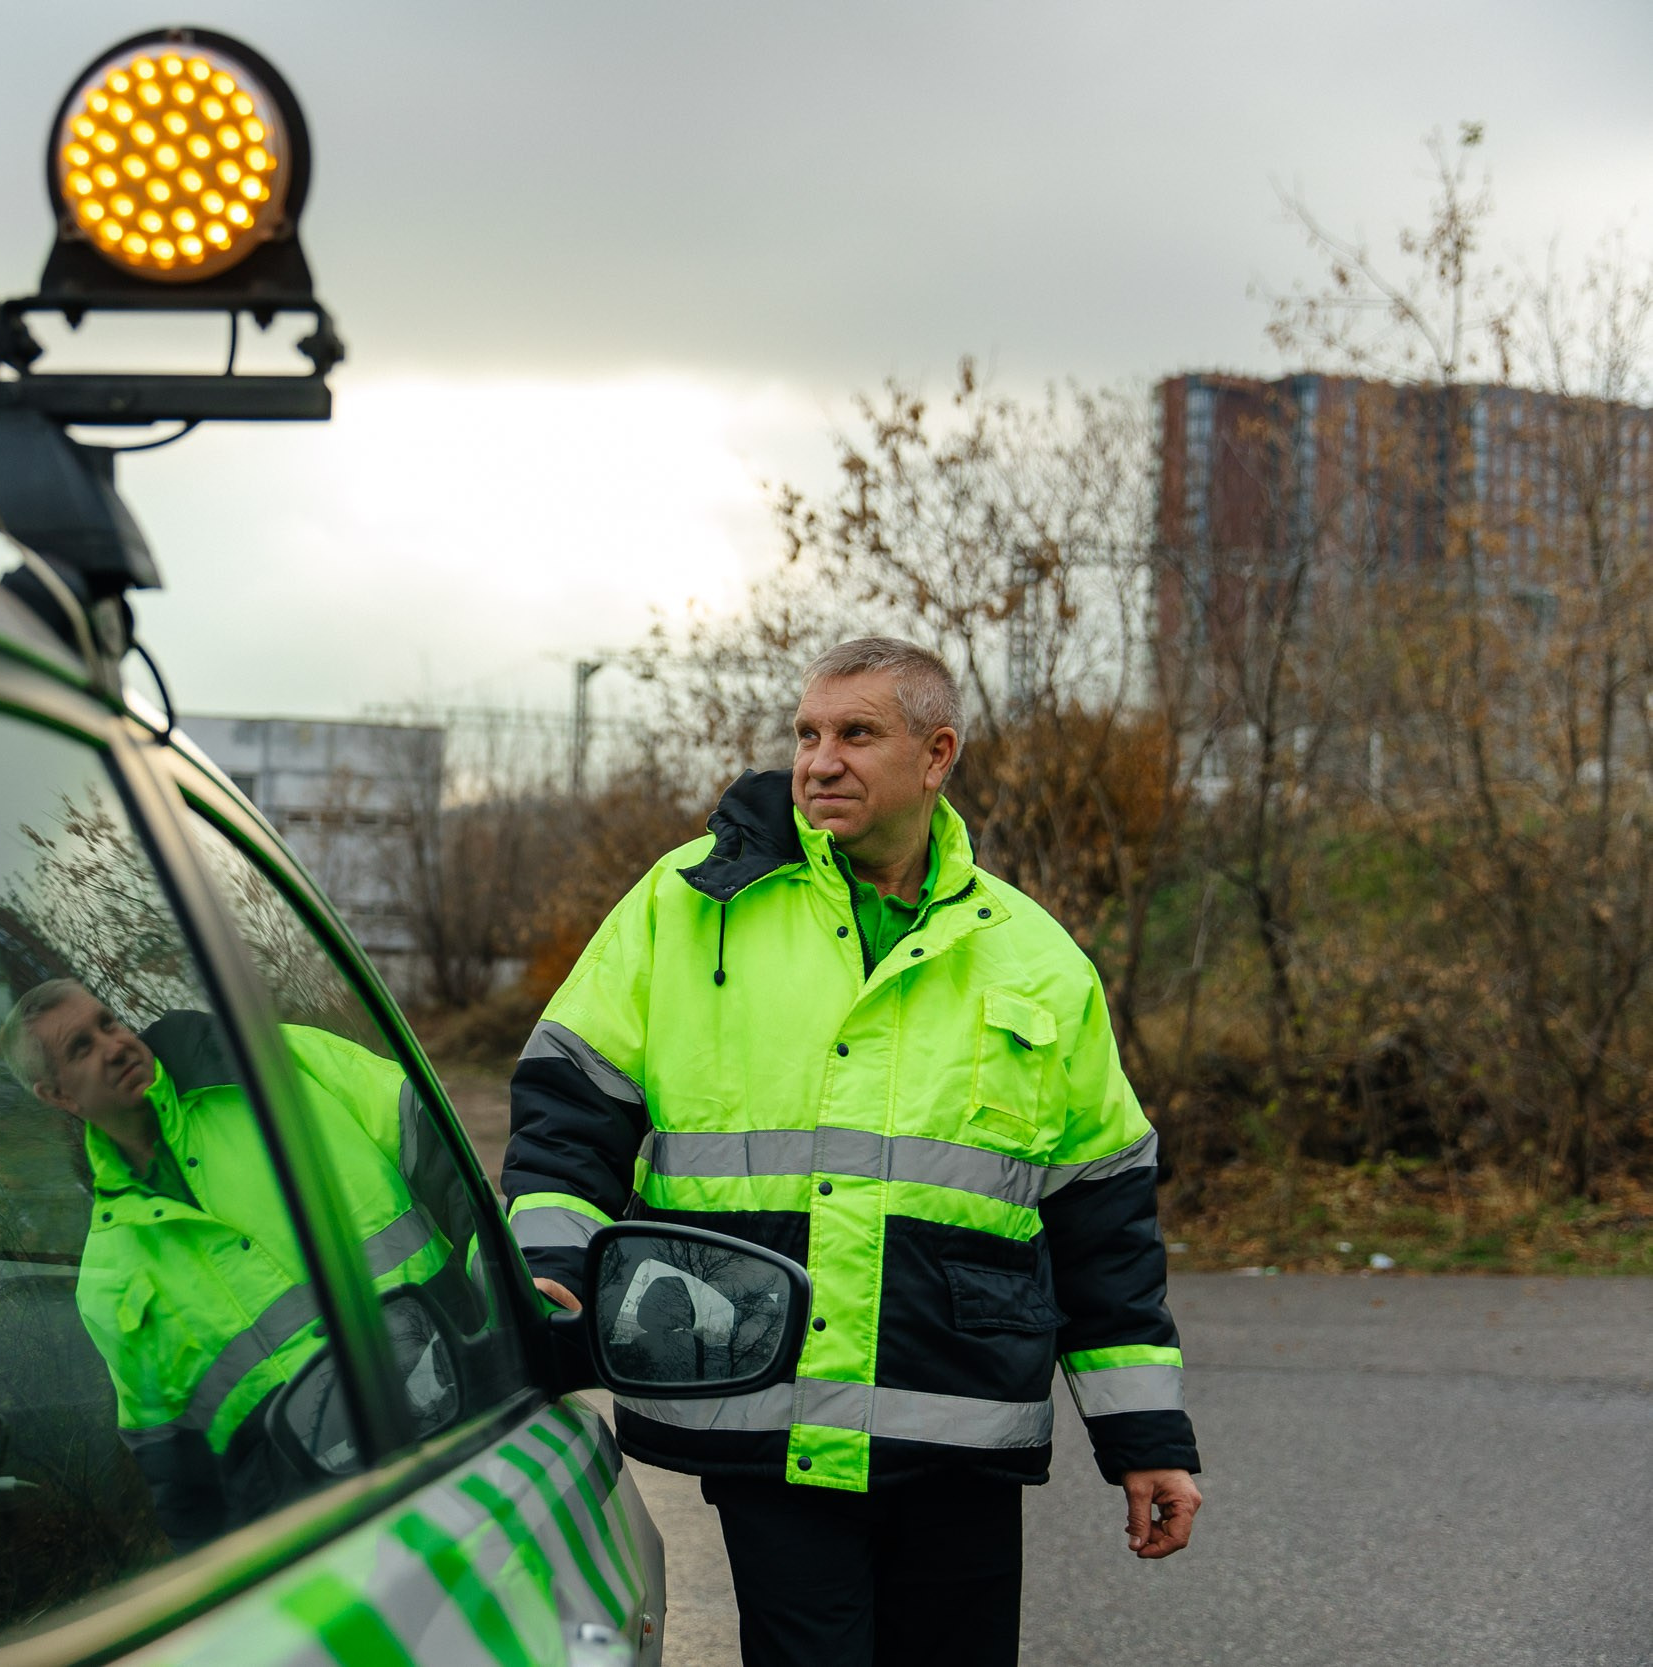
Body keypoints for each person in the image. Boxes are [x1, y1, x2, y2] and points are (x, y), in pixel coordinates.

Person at [503, 637, 1201, 1666]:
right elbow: (571, 1103)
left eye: (855, 733)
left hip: (957, 1423)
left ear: (936, 754)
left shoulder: (1035, 957)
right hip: (764, 1404)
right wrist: (553, 1267)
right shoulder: (690, 904)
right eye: (806, 733)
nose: (819, 759)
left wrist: (1144, 1437)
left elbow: (1103, 1217)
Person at [0, 979, 459, 1548]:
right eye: (80, 1048)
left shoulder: (280, 1067)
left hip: (470, 1436)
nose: (114, 1045)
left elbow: (451, 1161)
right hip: (327, 1545)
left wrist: (533, 1291)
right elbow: (182, 1484)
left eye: (109, 1022)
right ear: (58, 1097)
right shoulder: (109, 1280)